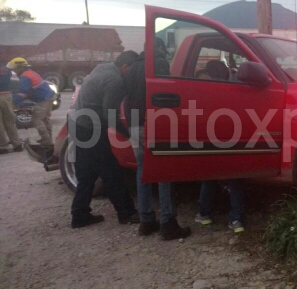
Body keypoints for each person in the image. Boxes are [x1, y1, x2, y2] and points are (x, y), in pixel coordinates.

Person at [124, 39, 191, 240]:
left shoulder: (132, 67)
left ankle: (146, 221)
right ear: (159, 49)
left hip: (134, 125)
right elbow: (166, 94)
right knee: (164, 172)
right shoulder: (158, 64)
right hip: (151, 123)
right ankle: (168, 224)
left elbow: (126, 98)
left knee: (142, 172)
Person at [69, 51, 140, 228]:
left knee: (86, 173)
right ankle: (127, 213)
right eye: (132, 70)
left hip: (78, 124)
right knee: (112, 172)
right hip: (92, 129)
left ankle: (79, 215)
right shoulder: (115, 80)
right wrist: (129, 133)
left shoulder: (102, 67)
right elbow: (110, 114)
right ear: (125, 67)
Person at [7, 58, 55, 145]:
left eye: (14, 69)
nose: (14, 71)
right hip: (49, 96)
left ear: (19, 67)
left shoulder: (25, 76)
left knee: (37, 119)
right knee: (45, 119)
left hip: (43, 99)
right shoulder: (31, 72)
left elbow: (22, 93)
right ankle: (49, 138)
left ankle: (46, 140)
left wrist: (13, 101)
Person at [0, 62, 22, 154]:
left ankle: (3, 146)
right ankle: (17, 145)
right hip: (6, 96)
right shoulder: (6, 69)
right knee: (10, 121)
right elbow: (16, 81)